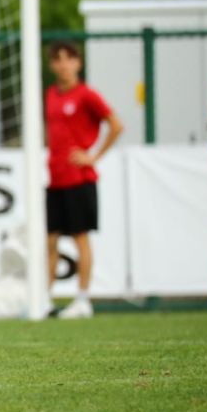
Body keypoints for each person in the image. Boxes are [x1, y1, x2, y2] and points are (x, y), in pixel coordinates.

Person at [44, 41, 123, 319]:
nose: (63, 65)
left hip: (80, 179)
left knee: (80, 239)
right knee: (50, 240)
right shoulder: (50, 95)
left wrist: (94, 156)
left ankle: (82, 299)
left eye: (68, 59)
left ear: (78, 63)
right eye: (58, 59)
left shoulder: (86, 95)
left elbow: (116, 124)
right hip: (55, 179)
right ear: (52, 65)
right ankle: (45, 299)